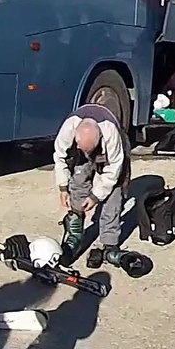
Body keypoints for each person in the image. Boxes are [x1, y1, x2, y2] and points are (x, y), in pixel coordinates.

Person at [53, 103, 130, 266]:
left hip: (111, 155)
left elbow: (113, 171)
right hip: (84, 144)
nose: (89, 155)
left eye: (90, 150)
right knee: (78, 180)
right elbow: (60, 158)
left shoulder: (111, 135)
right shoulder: (68, 129)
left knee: (113, 194)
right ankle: (75, 235)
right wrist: (62, 187)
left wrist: (95, 196)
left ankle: (110, 243)